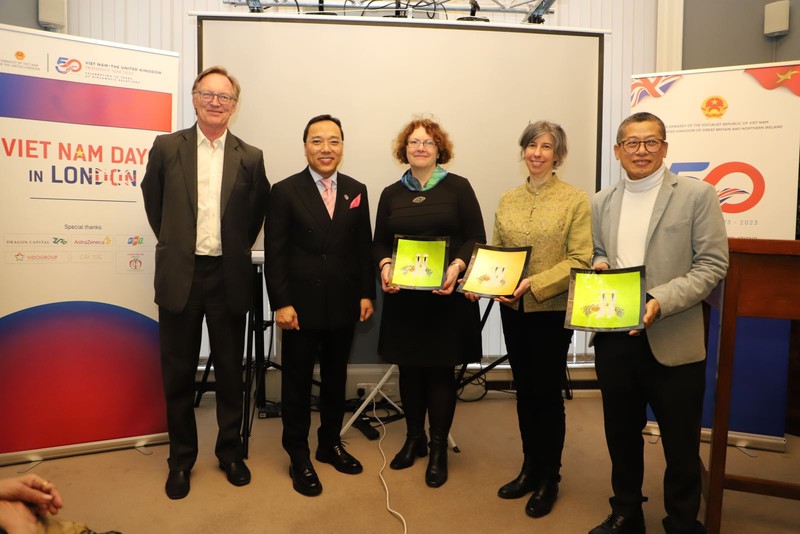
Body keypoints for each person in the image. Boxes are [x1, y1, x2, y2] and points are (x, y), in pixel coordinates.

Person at [588, 112, 728, 534]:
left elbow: (712, 265)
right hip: (615, 338)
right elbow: (598, 250)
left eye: (651, 142)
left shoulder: (696, 195)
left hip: (673, 335)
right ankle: (626, 511)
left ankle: (683, 521)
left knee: (680, 442)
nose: (641, 150)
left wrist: (659, 299)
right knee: (621, 433)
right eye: (632, 143)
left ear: (665, 148)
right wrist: (599, 263)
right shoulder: (601, 201)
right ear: (617, 150)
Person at [141, 66, 270, 500]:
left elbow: (255, 215)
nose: (216, 102)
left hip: (228, 275)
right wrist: (179, 243)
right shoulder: (166, 147)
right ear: (195, 98)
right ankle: (180, 460)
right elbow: (154, 204)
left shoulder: (250, 157)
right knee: (177, 372)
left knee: (232, 373)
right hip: (181, 274)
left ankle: (230, 452)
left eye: (225, 97)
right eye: (207, 94)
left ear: (235, 105)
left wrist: (231, 248)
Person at [481, 120, 592, 518]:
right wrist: (484, 279)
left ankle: (550, 477)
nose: (537, 153)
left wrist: (534, 283)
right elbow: (497, 251)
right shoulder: (508, 198)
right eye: (531, 145)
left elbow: (580, 258)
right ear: (523, 150)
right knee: (524, 391)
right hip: (513, 310)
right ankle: (529, 467)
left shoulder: (575, 199)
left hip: (549, 310)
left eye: (546, 147)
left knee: (546, 394)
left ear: (558, 154)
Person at [264, 115, 375, 497]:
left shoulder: (357, 190)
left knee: (334, 381)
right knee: (295, 384)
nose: (326, 149)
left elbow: (363, 248)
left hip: (344, 304)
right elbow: (275, 254)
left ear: (343, 146)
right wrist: (281, 302)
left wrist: (366, 293)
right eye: (317, 141)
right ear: (305, 146)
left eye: (333, 141)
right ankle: (298, 454)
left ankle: (329, 445)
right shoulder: (284, 191)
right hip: (300, 307)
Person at [373, 117, 486, 488]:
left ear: (440, 150)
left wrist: (456, 266)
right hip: (405, 299)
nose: (420, 148)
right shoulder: (391, 193)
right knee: (409, 370)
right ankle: (413, 439)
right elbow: (378, 243)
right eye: (413, 143)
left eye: (428, 143)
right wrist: (386, 265)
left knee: (439, 372)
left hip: (446, 297)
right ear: (403, 150)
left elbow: (475, 237)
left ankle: (437, 449)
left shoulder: (458, 187)